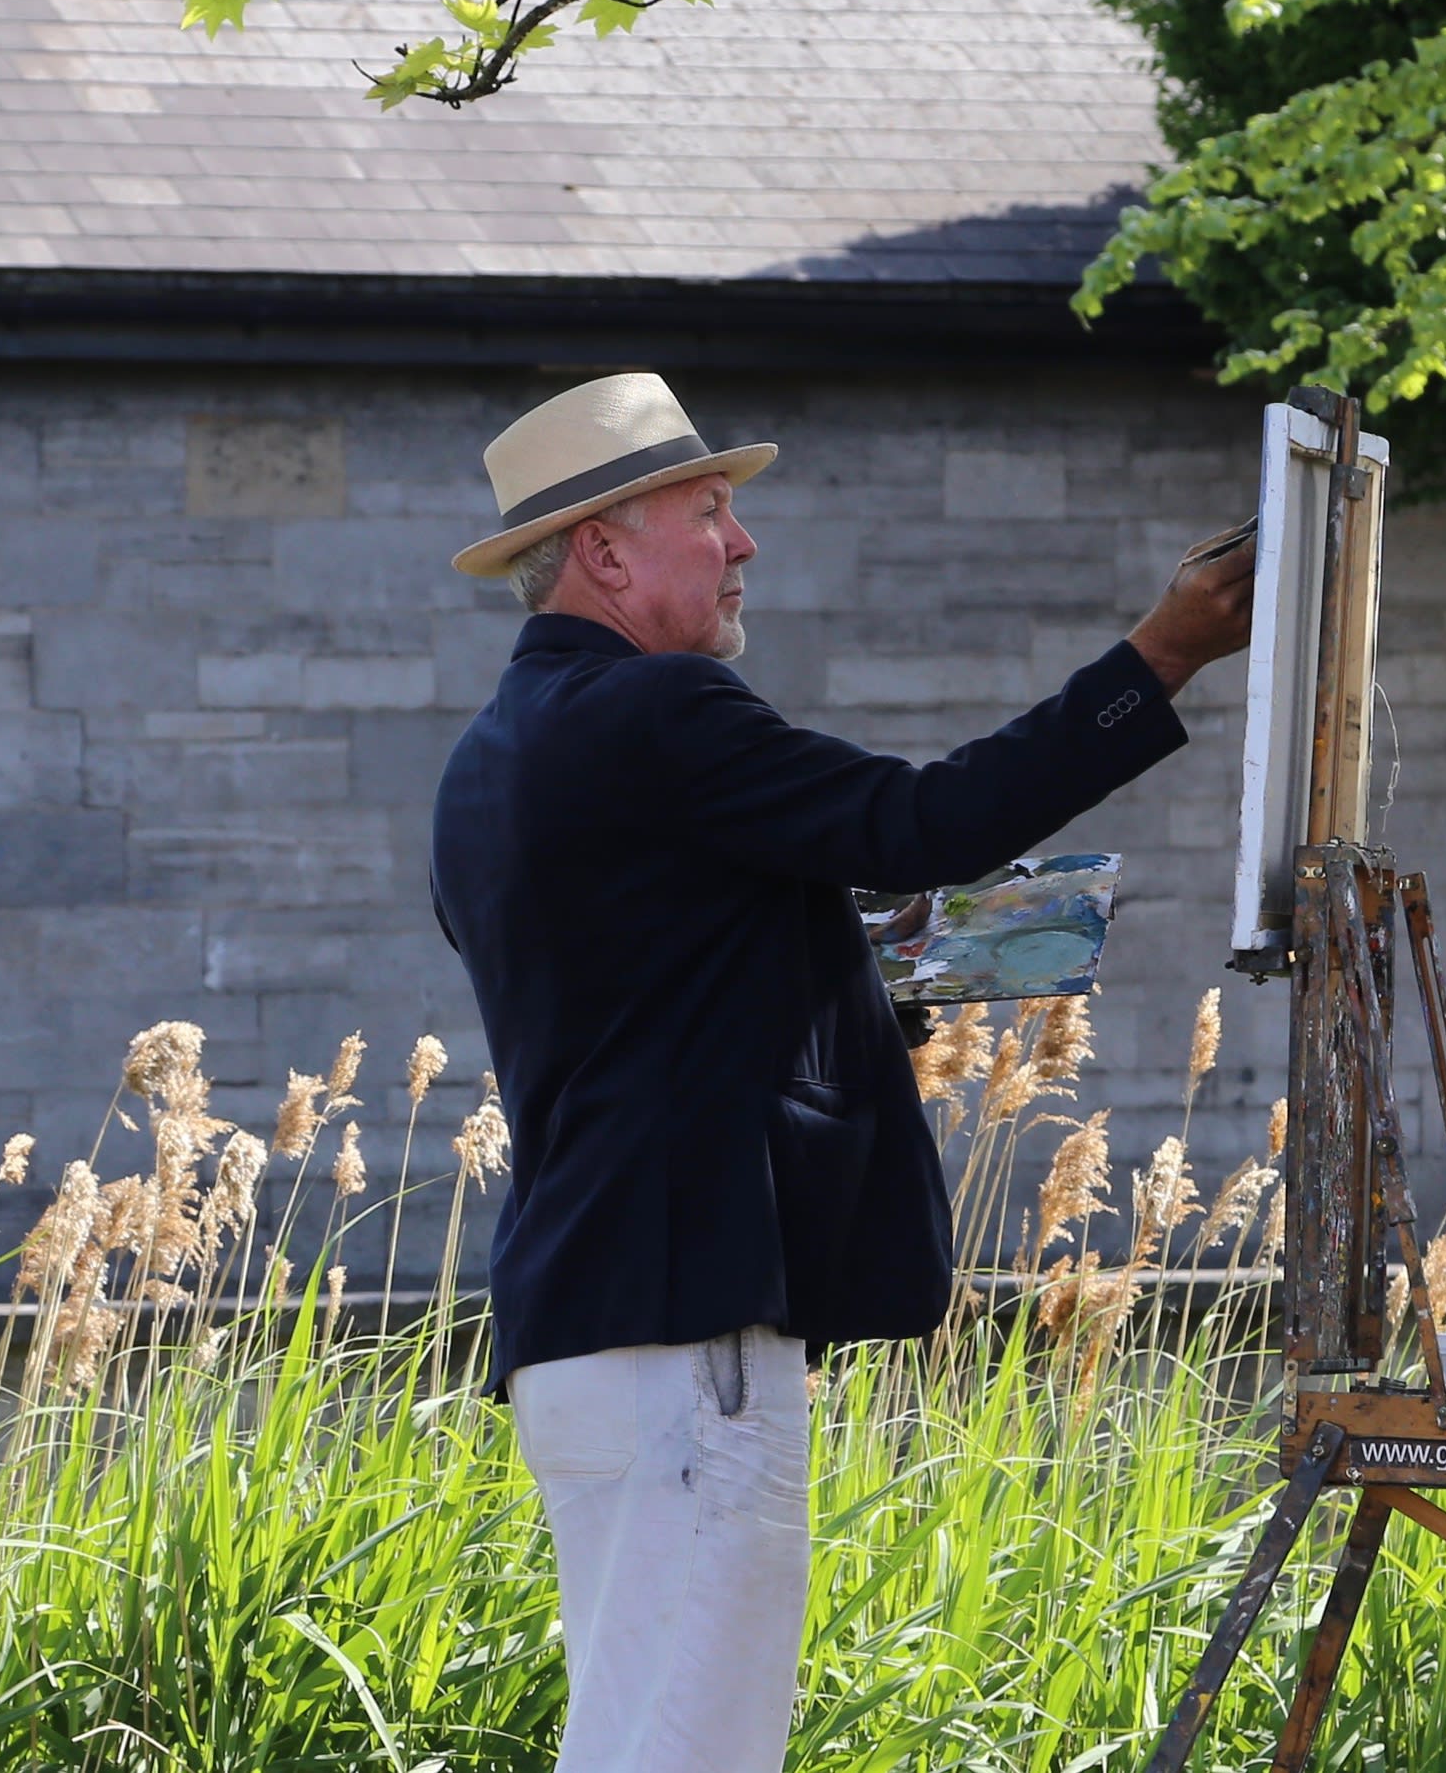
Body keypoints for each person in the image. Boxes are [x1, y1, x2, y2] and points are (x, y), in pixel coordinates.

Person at [427, 371, 1254, 1773]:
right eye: (709, 512)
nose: (743, 543)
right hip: (687, 1332)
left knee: (634, 1740)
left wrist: (880, 984)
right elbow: (920, 819)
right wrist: (1159, 656)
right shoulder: (659, 712)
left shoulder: (485, 762)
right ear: (604, 551)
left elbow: (663, 996)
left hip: (584, 1329)